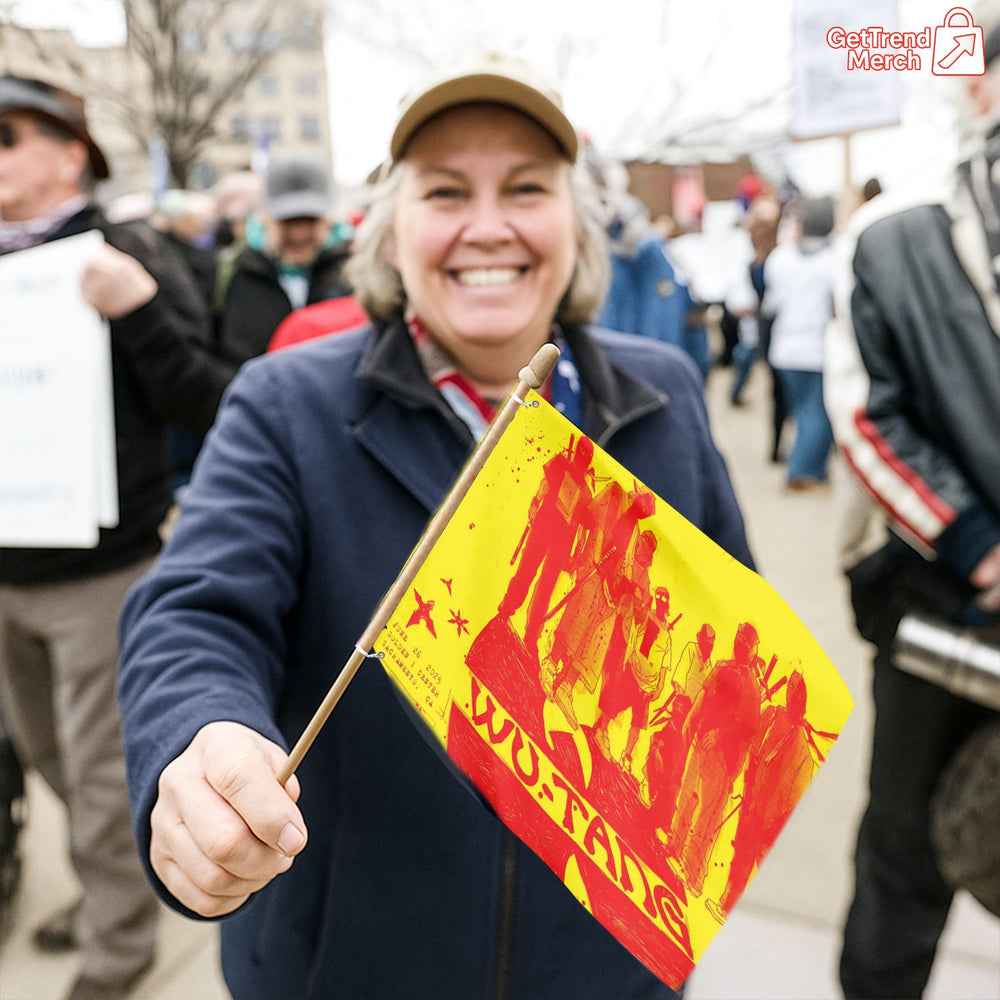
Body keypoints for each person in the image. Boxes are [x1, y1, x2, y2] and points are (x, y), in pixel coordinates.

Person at [117, 54, 754, 1000]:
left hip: (603, 965)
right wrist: (199, 740)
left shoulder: (663, 394)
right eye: (447, 192)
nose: (488, 226)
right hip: (348, 964)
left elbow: (727, 662)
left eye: (527, 189)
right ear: (391, 230)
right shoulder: (286, 401)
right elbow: (194, 614)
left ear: (576, 227)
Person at [0, 74, 235, 1000]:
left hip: (102, 569)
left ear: (72, 155)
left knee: (102, 778)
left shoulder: (128, 249)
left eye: (10, 134)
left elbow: (213, 399)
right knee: (49, 759)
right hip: (7, 570)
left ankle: (117, 950)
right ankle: (110, 899)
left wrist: (136, 309)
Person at [826, 32, 1000, 998]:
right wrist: (978, 546)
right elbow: (865, 415)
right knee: (903, 853)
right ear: (978, 84)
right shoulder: (896, 241)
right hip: (944, 604)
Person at [213, 155, 353, 367]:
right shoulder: (234, 270)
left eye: (310, 220)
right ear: (264, 216)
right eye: (287, 221)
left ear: (329, 218)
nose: (299, 234)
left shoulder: (356, 270)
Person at [761, 196, 837, 490]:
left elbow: (771, 304)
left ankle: (814, 470)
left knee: (804, 413)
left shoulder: (781, 259)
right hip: (817, 351)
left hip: (785, 350)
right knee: (817, 415)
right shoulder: (832, 261)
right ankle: (801, 471)